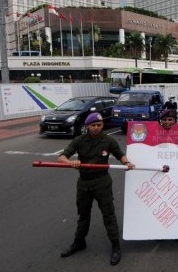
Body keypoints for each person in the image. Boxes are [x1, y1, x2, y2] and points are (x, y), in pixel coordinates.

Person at [58, 112, 135, 266]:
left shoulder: (108, 140)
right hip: (84, 183)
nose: (96, 128)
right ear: (87, 126)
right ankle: (79, 242)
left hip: (102, 182)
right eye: (93, 125)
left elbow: (120, 155)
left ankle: (115, 245)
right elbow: (61, 156)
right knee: (83, 214)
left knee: (108, 214)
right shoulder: (79, 140)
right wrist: (71, 162)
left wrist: (127, 163)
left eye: (99, 125)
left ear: (102, 125)